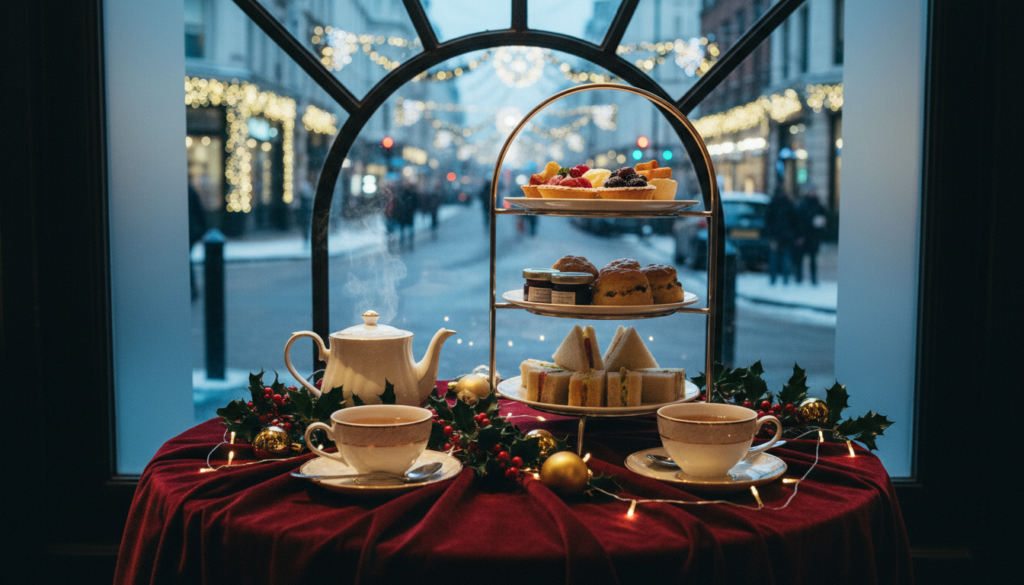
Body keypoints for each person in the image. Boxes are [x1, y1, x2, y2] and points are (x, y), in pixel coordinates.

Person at [795, 190, 827, 285]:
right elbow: (798, 222)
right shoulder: (803, 205)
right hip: (804, 236)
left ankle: (813, 279)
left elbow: (824, 219)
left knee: (813, 260)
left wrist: (822, 224)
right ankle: (799, 277)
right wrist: (799, 236)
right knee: (800, 259)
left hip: (814, 237)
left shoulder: (818, 206)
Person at [765, 187, 796, 285]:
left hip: (783, 237)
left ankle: (778, 279)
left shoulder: (779, 204)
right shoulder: (784, 204)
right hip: (782, 237)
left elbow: (793, 222)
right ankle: (778, 279)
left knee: (780, 260)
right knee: (779, 260)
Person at [187, 183, 207, 301]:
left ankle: (192, 288)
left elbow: (198, 210)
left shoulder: (186, 190)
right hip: (193, 230)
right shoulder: (189, 189)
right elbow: (199, 210)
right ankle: (192, 288)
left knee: (185, 260)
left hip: (190, 230)